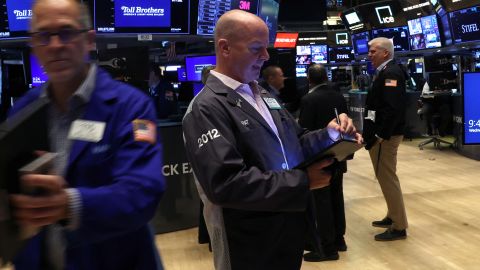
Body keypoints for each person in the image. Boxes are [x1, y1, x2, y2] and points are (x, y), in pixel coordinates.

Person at [182, 9, 361, 270]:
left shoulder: (262, 94)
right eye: (256, 48)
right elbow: (225, 184)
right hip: (246, 238)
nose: (266, 57)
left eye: (266, 48)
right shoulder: (205, 108)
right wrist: (303, 182)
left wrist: (331, 134)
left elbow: (295, 141)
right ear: (225, 48)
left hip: (286, 226)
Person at [8, 0, 165, 269]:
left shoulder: (131, 106)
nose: (56, 45)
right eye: (44, 35)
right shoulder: (23, 110)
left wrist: (69, 205)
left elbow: (143, 192)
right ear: (33, 44)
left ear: (89, 40)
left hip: (117, 260)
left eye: (67, 32)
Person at [298, 64, 349, 261]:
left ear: (309, 79)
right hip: (339, 153)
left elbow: (304, 131)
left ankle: (327, 249)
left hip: (318, 158)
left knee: (321, 202)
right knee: (337, 197)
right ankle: (339, 240)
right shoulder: (338, 95)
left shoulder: (309, 99)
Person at [363, 37, 408, 241]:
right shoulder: (385, 71)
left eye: (373, 51)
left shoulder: (391, 73)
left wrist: (380, 135)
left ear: (385, 53)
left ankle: (399, 226)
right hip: (384, 134)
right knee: (385, 177)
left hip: (385, 137)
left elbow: (392, 108)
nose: (369, 55)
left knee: (387, 179)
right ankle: (392, 216)